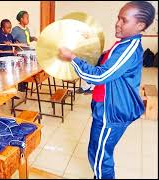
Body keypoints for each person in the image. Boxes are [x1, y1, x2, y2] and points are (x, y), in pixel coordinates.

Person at [58, 1, 155, 179]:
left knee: (101, 156)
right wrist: (87, 45)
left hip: (113, 112)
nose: (117, 23)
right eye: (118, 18)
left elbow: (98, 76)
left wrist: (72, 58)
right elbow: (104, 63)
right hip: (105, 105)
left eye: (124, 20)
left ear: (139, 25)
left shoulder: (129, 49)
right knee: (97, 149)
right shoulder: (122, 43)